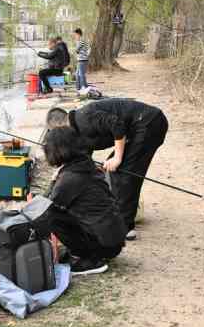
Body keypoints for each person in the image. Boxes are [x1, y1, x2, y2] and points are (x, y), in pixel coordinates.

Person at [46, 97, 169, 239]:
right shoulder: (77, 134)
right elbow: (82, 159)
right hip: (139, 128)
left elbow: (117, 124)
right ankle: (124, 213)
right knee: (116, 169)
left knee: (123, 172)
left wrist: (117, 158)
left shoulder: (83, 118)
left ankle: (125, 227)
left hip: (149, 122)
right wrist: (60, 171)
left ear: (61, 126)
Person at [32, 127, 127, 275]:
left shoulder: (69, 179)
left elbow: (42, 207)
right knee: (59, 211)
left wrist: (52, 181)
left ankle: (90, 261)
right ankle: (83, 252)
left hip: (104, 245)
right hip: (114, 238)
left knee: (50, 216)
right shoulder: (86, 164)